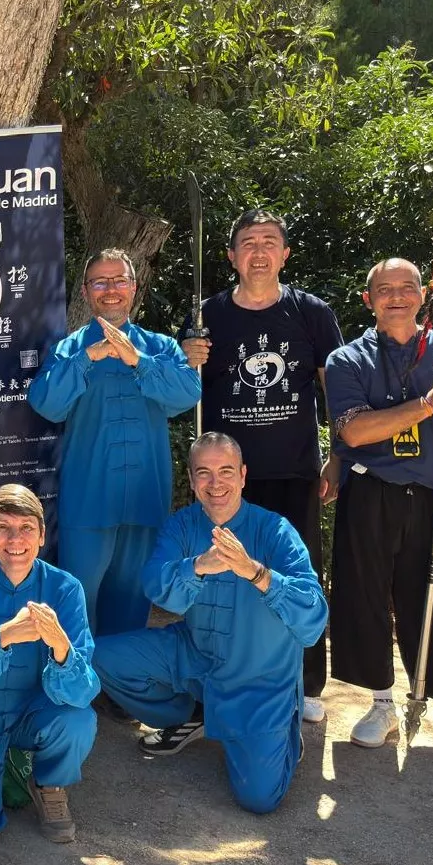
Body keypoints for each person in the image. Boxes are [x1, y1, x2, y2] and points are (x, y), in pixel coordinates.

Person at [92, 433, 328, 812]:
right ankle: (195, 715)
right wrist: (198, 566)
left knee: (258, 800)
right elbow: (157, 586)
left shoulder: (275, 530)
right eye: (204, 473)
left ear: (244, 476)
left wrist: (255, 572)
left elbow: (314, 620)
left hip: (259, 680)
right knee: (100, 656)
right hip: (195, 655)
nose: (215, 483)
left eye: (225, 471)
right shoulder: (181, 526)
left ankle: (283, 728)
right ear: (191, 476)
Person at [324, 258, 433, 761]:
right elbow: (353, 431)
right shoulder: (347, 359)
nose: (395, 296)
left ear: (424, 294)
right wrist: (428, 403)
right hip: (369, 490)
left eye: (406, 287)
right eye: (384, 289)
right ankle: (380, 703)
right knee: (364, 600)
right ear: (368, 299)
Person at [180, 209, 342, 726]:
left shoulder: (311, 312)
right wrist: (188, 356)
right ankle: (217, 678)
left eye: (269, 241)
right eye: (247, 242)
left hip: (293, 469)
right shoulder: (207, 315)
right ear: (231, 256)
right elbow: (183, 389)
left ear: (285, 253)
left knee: (297, 576)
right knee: (221, 573)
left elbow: (334, 389)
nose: (258, 251)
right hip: (224, 482)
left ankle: (306, 682)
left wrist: (339, 455)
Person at [28, 249, 200, 638]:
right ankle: (77, 688)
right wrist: (88, 357)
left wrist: (137, 359)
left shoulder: (160, 347)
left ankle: (120, 686)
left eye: (119, 280)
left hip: (145, 499)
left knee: (133, 599)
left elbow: (187, 394)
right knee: (77, 600)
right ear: (87, 293)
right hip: (88, 500)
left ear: (134, 288)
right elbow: (46, 404)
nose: (111, 291)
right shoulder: (69, 349)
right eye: (100, 282)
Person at [0, 485, 99, 843]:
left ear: (42, 535)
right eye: (3, 528)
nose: (16, 539)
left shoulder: (65, 588)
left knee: (78, 721)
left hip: (33, 715)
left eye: (27, 527)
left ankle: (49, 783)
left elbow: (84, 690)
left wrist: (61, 645)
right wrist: (6, 634)